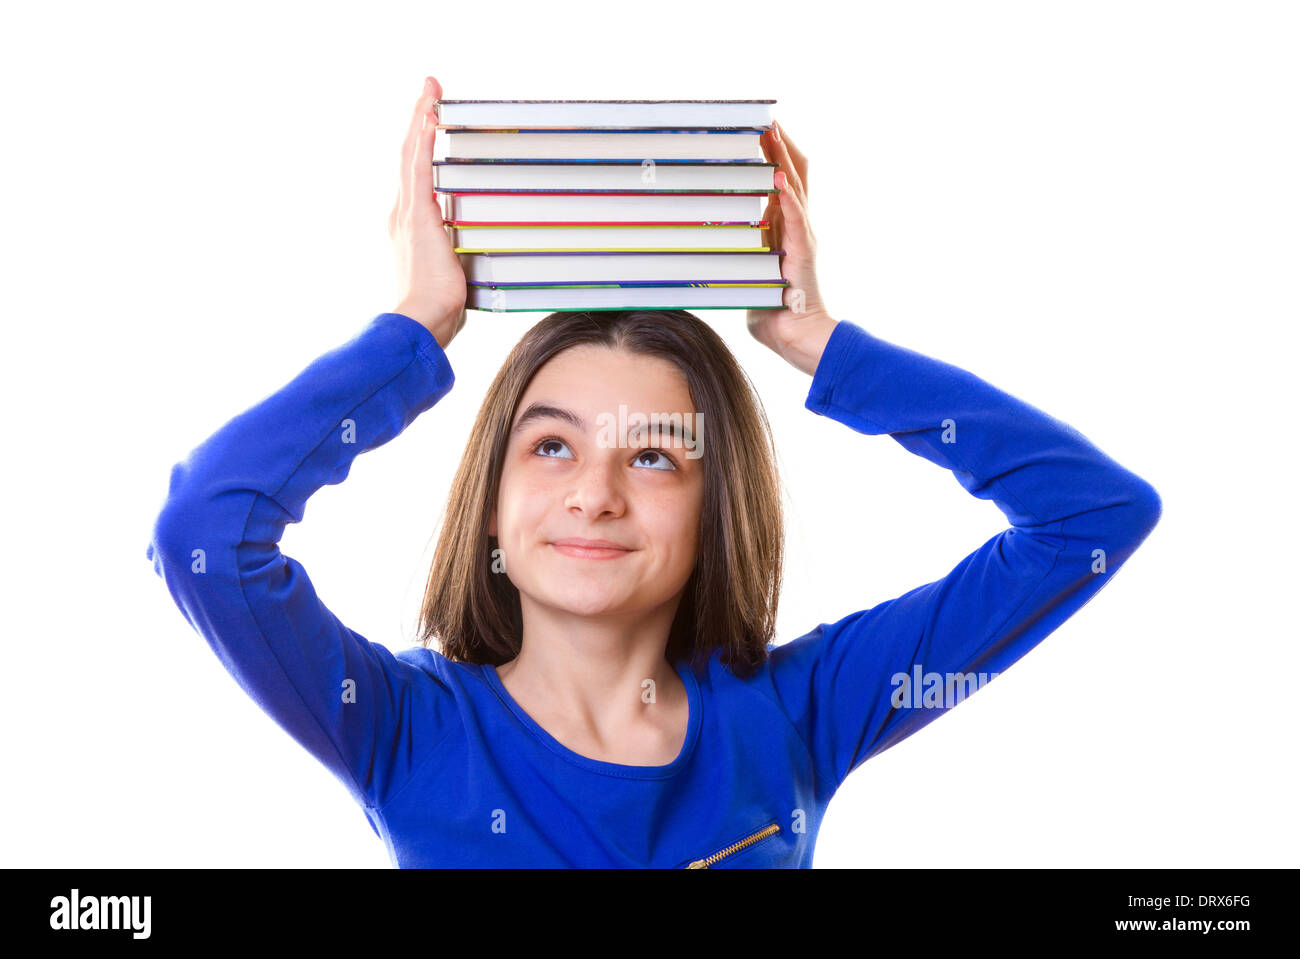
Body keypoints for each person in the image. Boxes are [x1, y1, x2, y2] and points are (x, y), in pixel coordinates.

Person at [146, 77, 1162, 868]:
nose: (595, 492)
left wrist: (818, 342)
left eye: (651, 452)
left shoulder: (800, 712)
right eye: (551, 445)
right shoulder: (404, 727)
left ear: (715, 504)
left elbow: (1092, 515)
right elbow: (207, 531)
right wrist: (417, 326)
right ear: (489, 504)